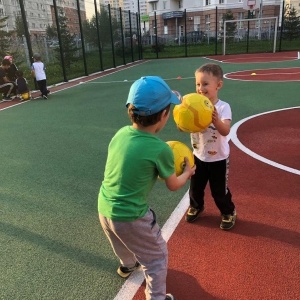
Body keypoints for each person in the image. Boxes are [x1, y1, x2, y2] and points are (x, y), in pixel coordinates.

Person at [98, 76, 196, 300]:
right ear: (164, 115)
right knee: (157, 258)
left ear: (130, 110)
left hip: (104, 206)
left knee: (118, 239)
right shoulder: (159, 149)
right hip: (131, 216)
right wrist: (187, 173)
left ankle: (127, 265)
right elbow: (173, 185)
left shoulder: (121, 133)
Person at [185, 63, 236, 230]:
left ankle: (228, 211)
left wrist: (216, 120)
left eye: (205, 84)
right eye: (198, 84)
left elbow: (225, 130)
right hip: (199, 156)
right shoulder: (192, 105)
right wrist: (181, 123)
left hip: (218, 159)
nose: (201, 88)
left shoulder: (223, 107)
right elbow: (187, 125)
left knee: (219, 192)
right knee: (195, 188)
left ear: (218, 85)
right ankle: (196, 206)